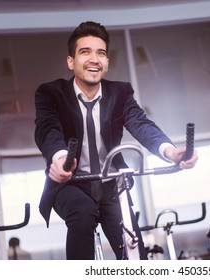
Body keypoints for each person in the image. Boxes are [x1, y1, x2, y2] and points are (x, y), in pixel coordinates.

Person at [34, 21, 198, 260]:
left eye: (101, 53)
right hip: (70, 184)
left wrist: (172, 152)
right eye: (85, 52)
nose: (94, 59)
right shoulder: (51, 93)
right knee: (83, 212)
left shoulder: (120, 93)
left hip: (112, 185)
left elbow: (141, 124)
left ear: (107, 63)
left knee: (132, 244)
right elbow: (47, 129)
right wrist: (60, 158)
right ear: (71, 62)